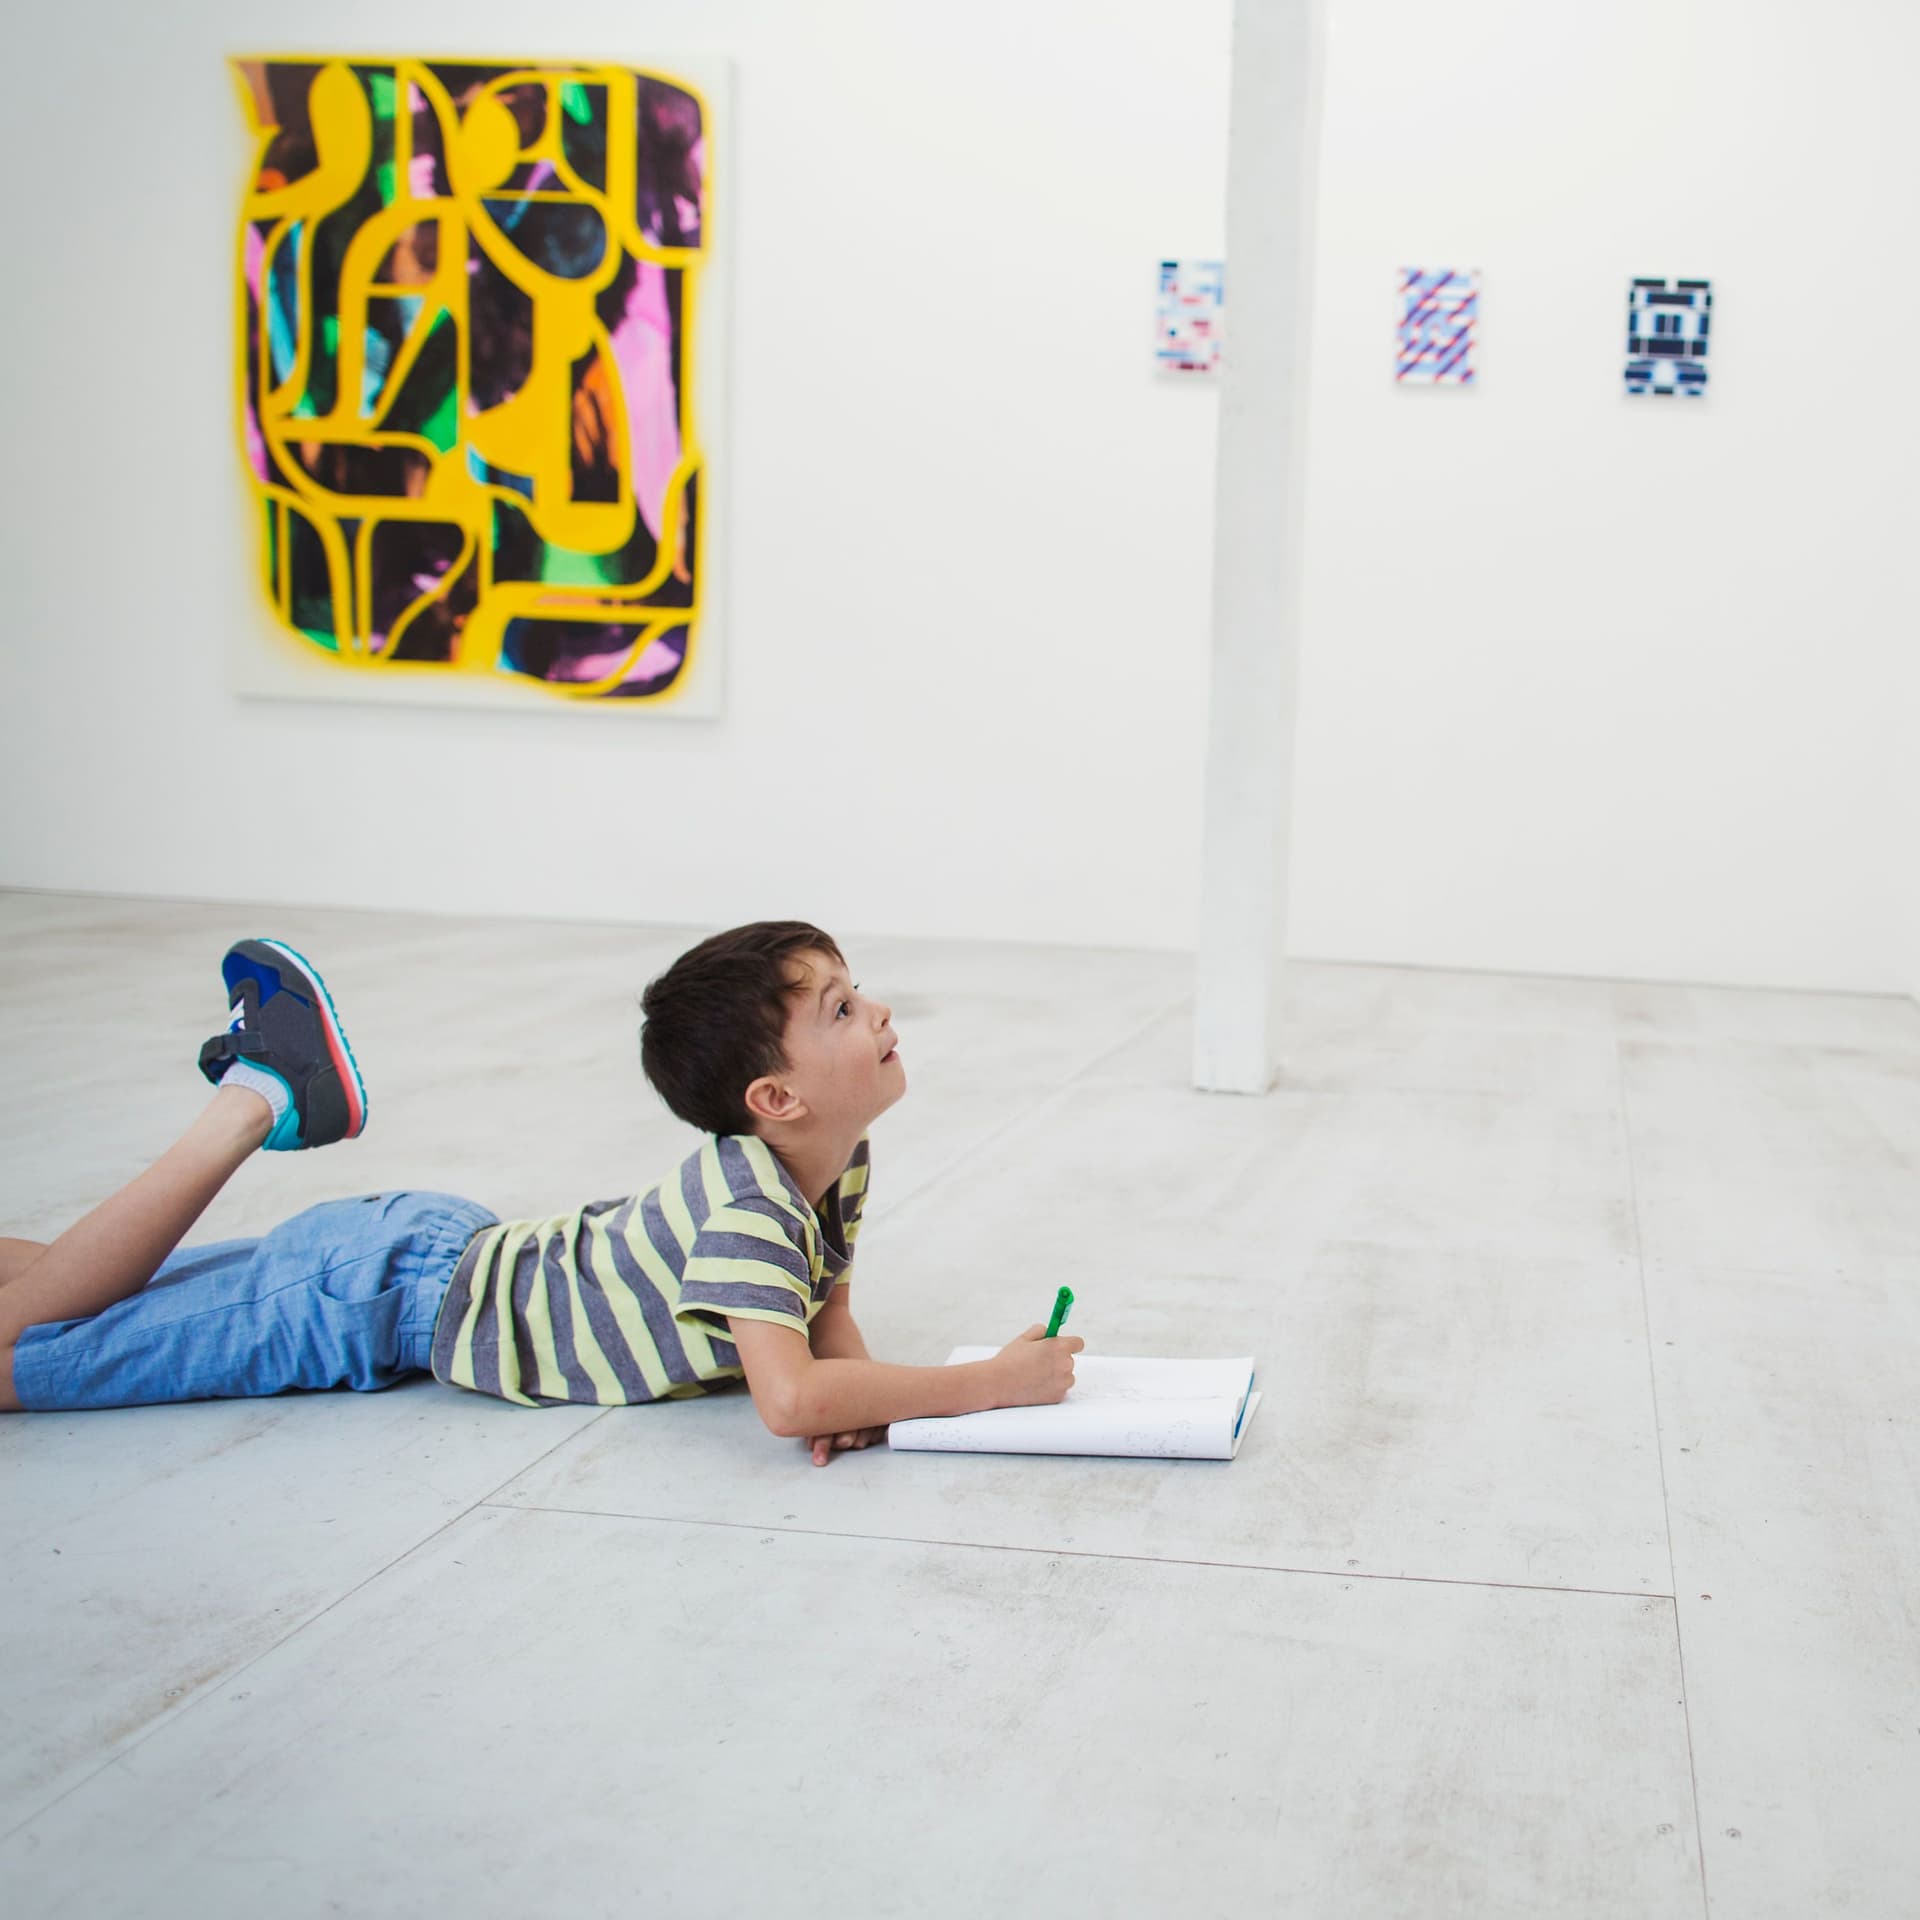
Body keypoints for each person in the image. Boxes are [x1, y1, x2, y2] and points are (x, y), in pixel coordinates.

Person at [0, 923, 1083, 1463]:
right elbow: (789, 1398)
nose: (882, 1011)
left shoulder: (831, 1166)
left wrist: (878, 1409)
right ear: (775, 1096)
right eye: (843, 1010)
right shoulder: (754, 1204)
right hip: (372, 1299)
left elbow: (825, 1321)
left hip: (421, 1261)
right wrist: (990, 1385)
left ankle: (255, 1092)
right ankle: (254, 1098)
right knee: (25, 1354)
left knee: (57, 1294)